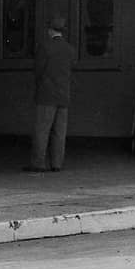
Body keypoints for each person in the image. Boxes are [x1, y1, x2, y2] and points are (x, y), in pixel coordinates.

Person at [28, 17, 78, 172]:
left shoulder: (44, 47)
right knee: (59, 132)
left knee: (42, 130)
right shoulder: (70, 49)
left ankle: (38, 163)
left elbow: (38, 70)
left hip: (46, 94)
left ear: (50, 30)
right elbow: (72, 69)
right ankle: (57, 163)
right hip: (64, 95)